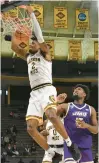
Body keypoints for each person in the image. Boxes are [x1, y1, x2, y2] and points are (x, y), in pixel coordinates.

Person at [11, 5, 81, 161]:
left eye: (34, 43)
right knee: (30, 128)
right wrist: (15, 30)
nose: (32, 44)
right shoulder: (28, 57)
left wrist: (31, 15)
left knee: (51, 114)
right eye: (31, 43)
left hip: (47, 89)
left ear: (41, 46)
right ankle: (50, 151)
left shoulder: (46, 55)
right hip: (34, 93)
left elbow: (39, 36)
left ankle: (69, 144)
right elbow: (14, 47)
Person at [57, 84, 98, 163]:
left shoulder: (91, 109)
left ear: (84, 94)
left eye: (79, 89)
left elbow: (96, 130)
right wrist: (56, 102)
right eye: (74, 89)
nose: (75, 90)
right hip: (70, 146)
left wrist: (86, 126)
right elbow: (49, 115)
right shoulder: (65, 106)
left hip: (85, 147)